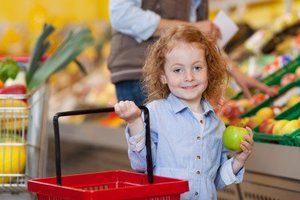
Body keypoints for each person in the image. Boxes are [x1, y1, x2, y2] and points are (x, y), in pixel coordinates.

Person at [114, 24, 254, 200]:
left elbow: (214, 180)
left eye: (197, 68)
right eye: (178, 70)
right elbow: (141, 165)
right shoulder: (155, 113)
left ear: (209, 72)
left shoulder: (216, 125)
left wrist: (238, 161)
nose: (189, 77)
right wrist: (135, 122)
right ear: (163, 76)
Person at [108, 0, 278, 105]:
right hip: (139, 74)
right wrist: (193, 27)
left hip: (180, 74)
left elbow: (196, 41)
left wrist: (234, 70)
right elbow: (121, 14)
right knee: (158, 154)